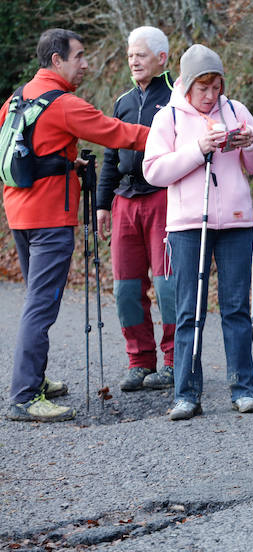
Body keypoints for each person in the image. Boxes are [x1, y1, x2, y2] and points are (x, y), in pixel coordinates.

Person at [3, 28, 150, 422]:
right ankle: (24, 396)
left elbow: (27, 155)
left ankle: (34, 378)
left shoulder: (17, 98)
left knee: (36, 302)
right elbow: (117, 133)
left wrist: (68, 164)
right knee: (42, 305)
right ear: (57, 60)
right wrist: (172, 136)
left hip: (19, 213)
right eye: (80, 56)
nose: (86, 64)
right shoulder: (63, 103)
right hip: (50, 218)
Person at [143, 44, 253, 420]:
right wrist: (198, 149)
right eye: (204, 87)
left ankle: (243, 389)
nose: (211, 95)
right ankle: (186, 395)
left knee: (236, 309)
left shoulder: (236, 111)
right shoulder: (168, 117)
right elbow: (154, 171)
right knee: (189, 311)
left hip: (235, 221)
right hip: (187, 225)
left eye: (217, 86)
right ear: (187, 84)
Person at [96, 26, 177, 392]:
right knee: (126, 288)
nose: (133, 60)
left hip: (164, 197)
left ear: (162, 58)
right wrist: (101, 204)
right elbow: (110, 156)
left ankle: (175, 360)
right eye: (130, 54)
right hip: (125, 202)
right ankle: (140, 361)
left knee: (167, 286)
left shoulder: (179, 98)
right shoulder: (123, 101)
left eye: (140, 54)